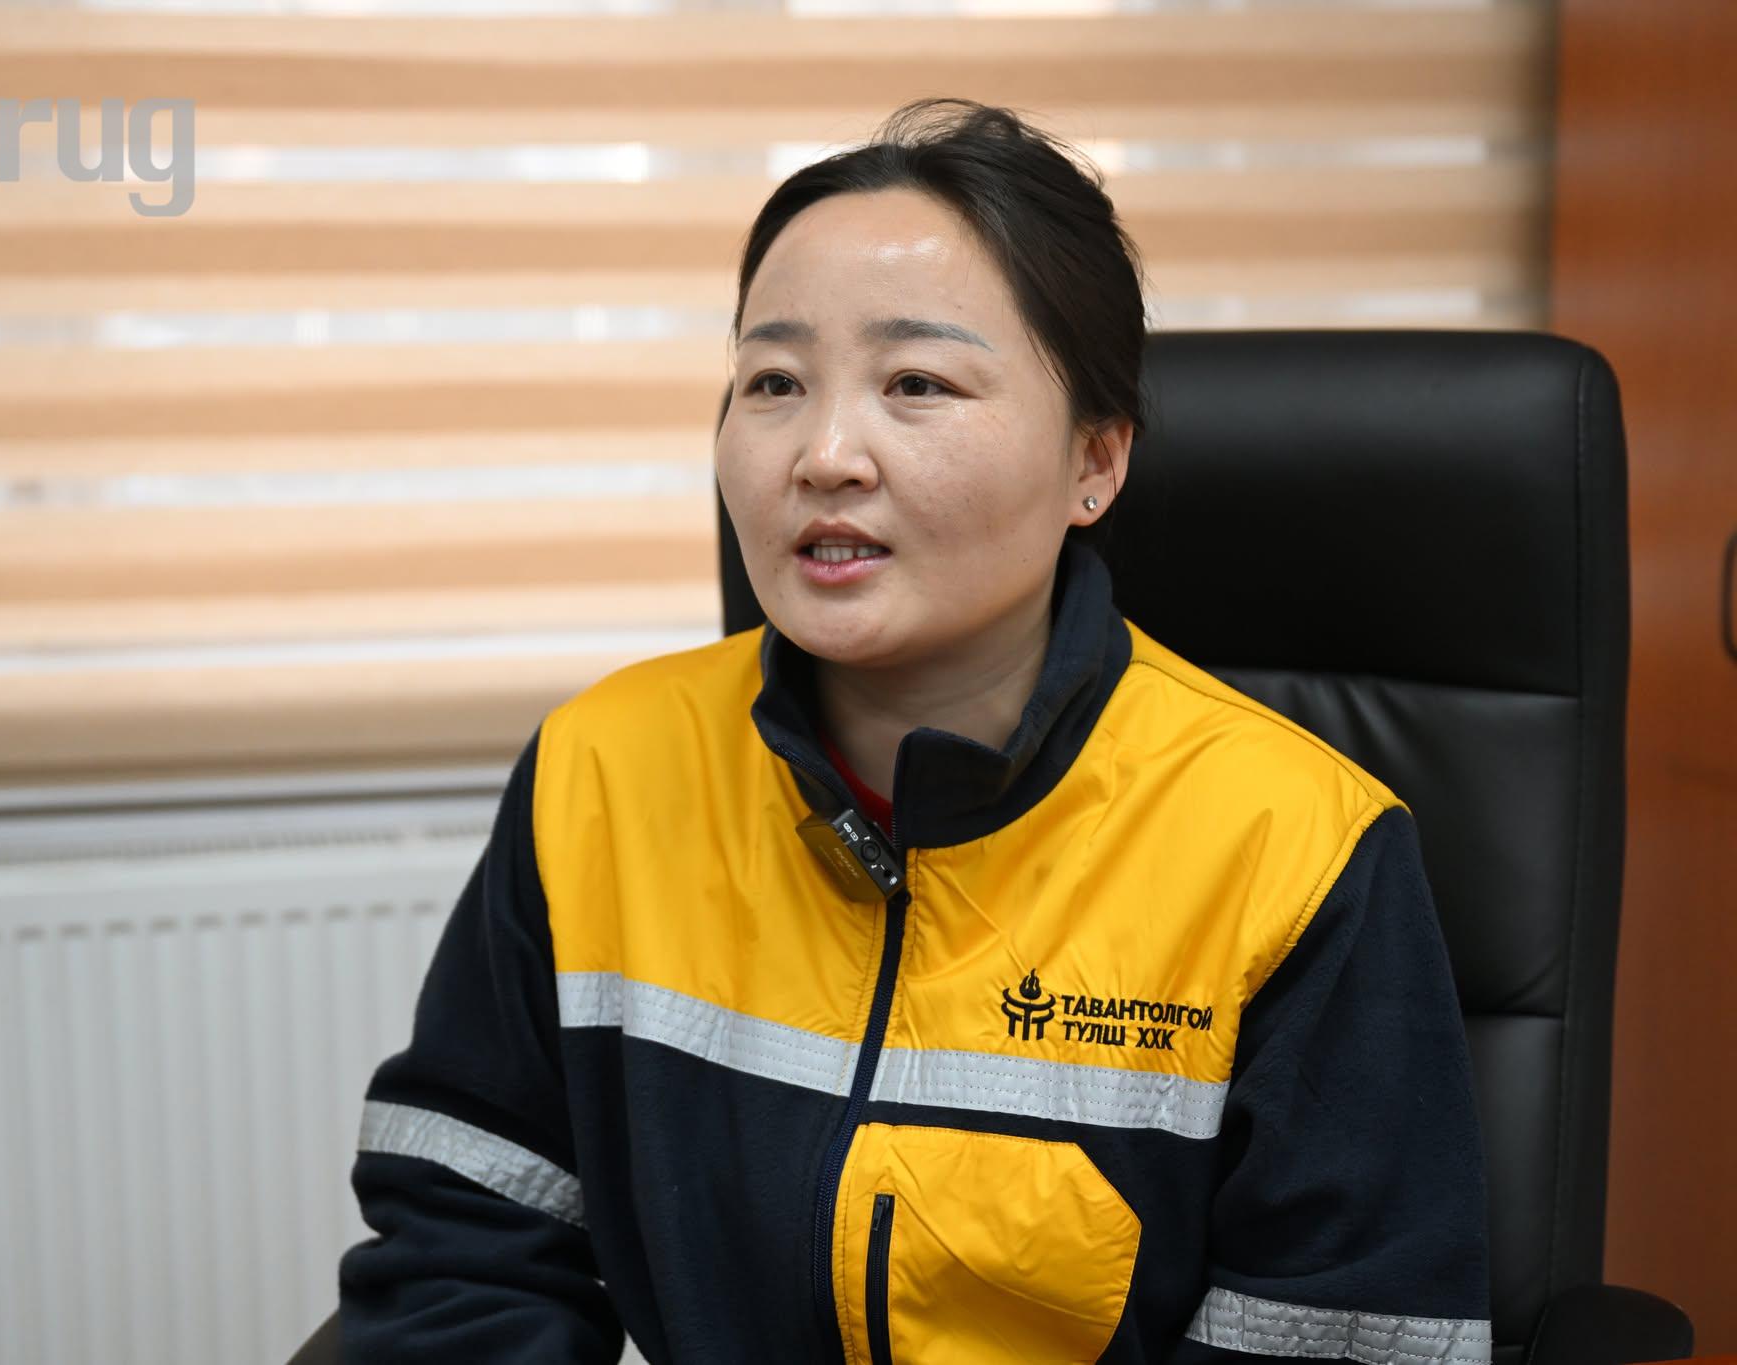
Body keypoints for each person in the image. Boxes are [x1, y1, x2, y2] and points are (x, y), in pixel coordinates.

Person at [337, 97, 1491, 1365]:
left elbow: (1334, 1337)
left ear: (1094, 463)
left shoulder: (1295, 848)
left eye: (916, 383)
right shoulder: (600, 771)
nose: (823, 454)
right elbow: (464, 1243)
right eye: (773, 383)